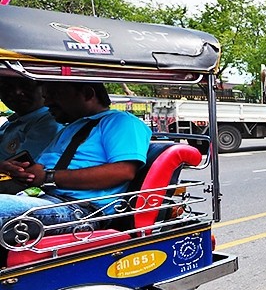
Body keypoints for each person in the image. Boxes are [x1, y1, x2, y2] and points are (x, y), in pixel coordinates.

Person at [0, 81, 152, 238]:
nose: (47, 103)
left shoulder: (121, 121)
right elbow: (42, 168)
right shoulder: (70, 128)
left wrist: (48, 177)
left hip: (81, 210)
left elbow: (123, 172)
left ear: (87, 94)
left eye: (55, 95)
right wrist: (20, 171)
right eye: (46, 96)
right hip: (46, 199)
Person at [0, 76, 62, 161]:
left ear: (44, 90)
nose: (17, 92)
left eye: (27, 86)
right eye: (7, 87)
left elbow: (21, 165)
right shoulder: (16, 120)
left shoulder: (48, 123)